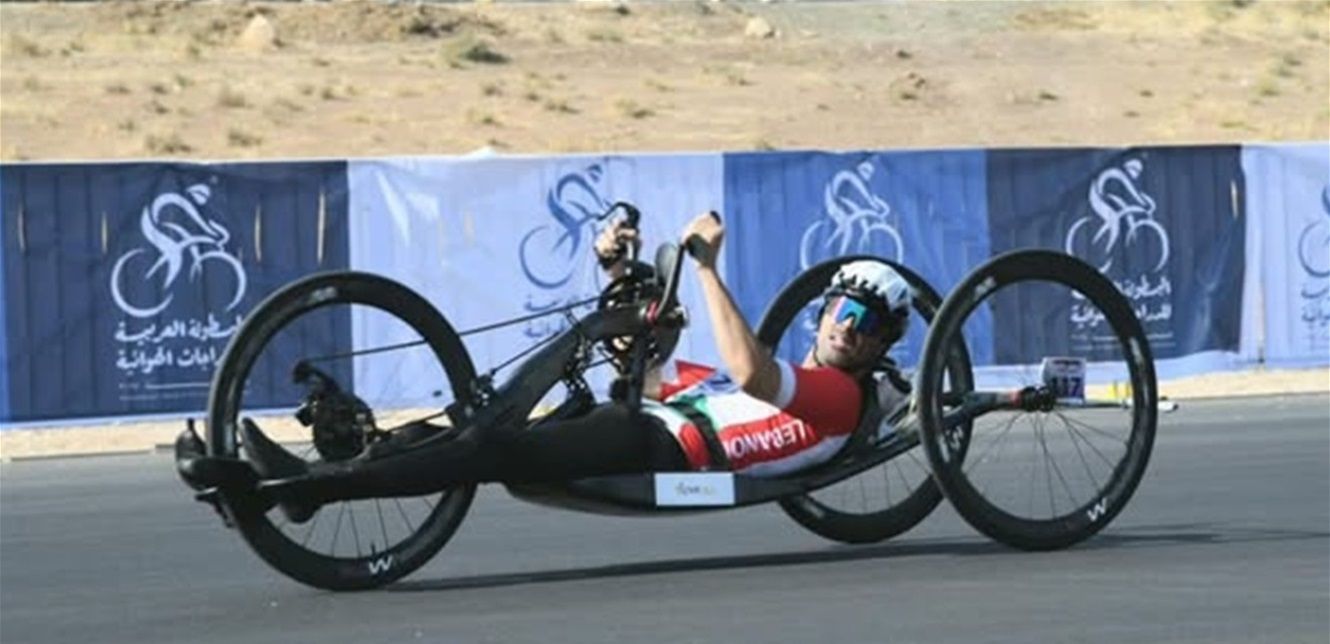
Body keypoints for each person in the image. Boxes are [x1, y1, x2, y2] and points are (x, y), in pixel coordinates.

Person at [240, 211, 913, 522]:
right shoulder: (786, 386)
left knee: (487, 448)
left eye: (867, 322)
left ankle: (311, 489)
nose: (848, 327)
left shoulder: (838, 397)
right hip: (647, 423)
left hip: (664, 452)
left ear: (883, 342)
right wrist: (619, 275)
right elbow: (646, 372)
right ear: (823, 311)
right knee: (464, 429)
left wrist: (706, 268)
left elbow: (750, 372)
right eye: (842, 309)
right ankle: (327, 470)